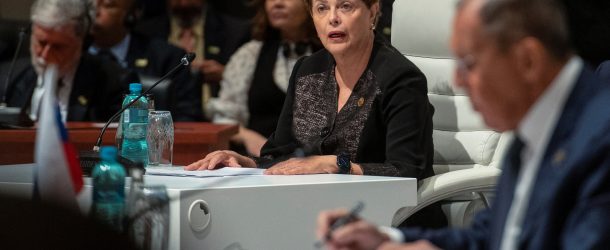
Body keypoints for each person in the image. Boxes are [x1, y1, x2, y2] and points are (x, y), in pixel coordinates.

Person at [316, 0, 610, 249]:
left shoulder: (600, 140)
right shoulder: (531, 133)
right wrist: (387, 238)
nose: (456, 80)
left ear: (527, 60)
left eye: (468, 63)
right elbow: (490, 236)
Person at [187, 0, 435, 179]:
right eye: (322, 8)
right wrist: (247, 162)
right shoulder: (307, 71)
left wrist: (337, 164)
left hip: (384, 217)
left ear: (373, 12)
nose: (332, 18)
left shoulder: (400, 78)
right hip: (314, 207)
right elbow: (280, 154)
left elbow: (407, 169)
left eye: (345, 6)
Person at [205, 0, 320, 156]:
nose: (277, 3)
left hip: (318, 162)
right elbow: (224, 117)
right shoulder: (250, 54)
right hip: (261, 162)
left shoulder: (332, 54)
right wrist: (248, 137)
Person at [0, 0, 135, 124]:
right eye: (41, 43)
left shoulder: (114, 83)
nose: (45, 55)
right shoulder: (6, 78)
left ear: (82, 44)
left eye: (58, 47)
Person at [89, 0, 202, 121]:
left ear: (132, 14)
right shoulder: (72, 54)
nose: (95, 12)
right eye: (91, 6)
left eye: (107, 6)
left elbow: (187, 118)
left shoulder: (168, 58)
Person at [133, 0, 251, 98]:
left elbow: (256, 86)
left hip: (216, 118)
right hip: (164, 117)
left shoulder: (235, 32)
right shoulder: (145, 33)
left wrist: (226, 75)